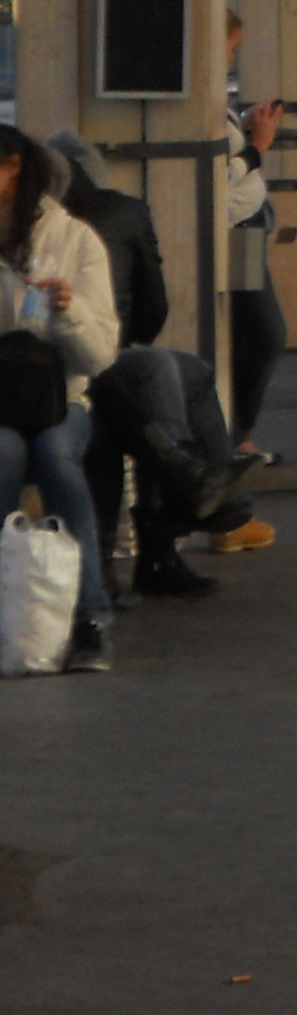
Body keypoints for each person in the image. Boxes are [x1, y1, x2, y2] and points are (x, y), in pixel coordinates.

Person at [51, 133, 257, 598]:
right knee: (162, 371)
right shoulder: (123, 213)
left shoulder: (40, 232)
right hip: (90, 362)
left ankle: (186, 477)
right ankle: (181, 505)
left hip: (88, 359)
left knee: (170, 373)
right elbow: (154, 310)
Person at [0, 126, 123, 670]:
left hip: (62, 397)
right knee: (3, 453)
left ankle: (89, 618)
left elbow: (100, 357)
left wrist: (68, 311)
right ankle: (8, 609)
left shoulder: (75, 240)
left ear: (12, 169)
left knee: (55, 455)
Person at [225, 9, 288, 482]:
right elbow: (228, 173)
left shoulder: (215, 106)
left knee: (252, 333)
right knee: (265, 332)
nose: (232, 56)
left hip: (244, 228)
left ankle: (236, 432)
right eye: (230, 47)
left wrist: (247, 132)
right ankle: (237, 436)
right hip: (234, 232)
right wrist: (259, 143)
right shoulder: (204, 107)